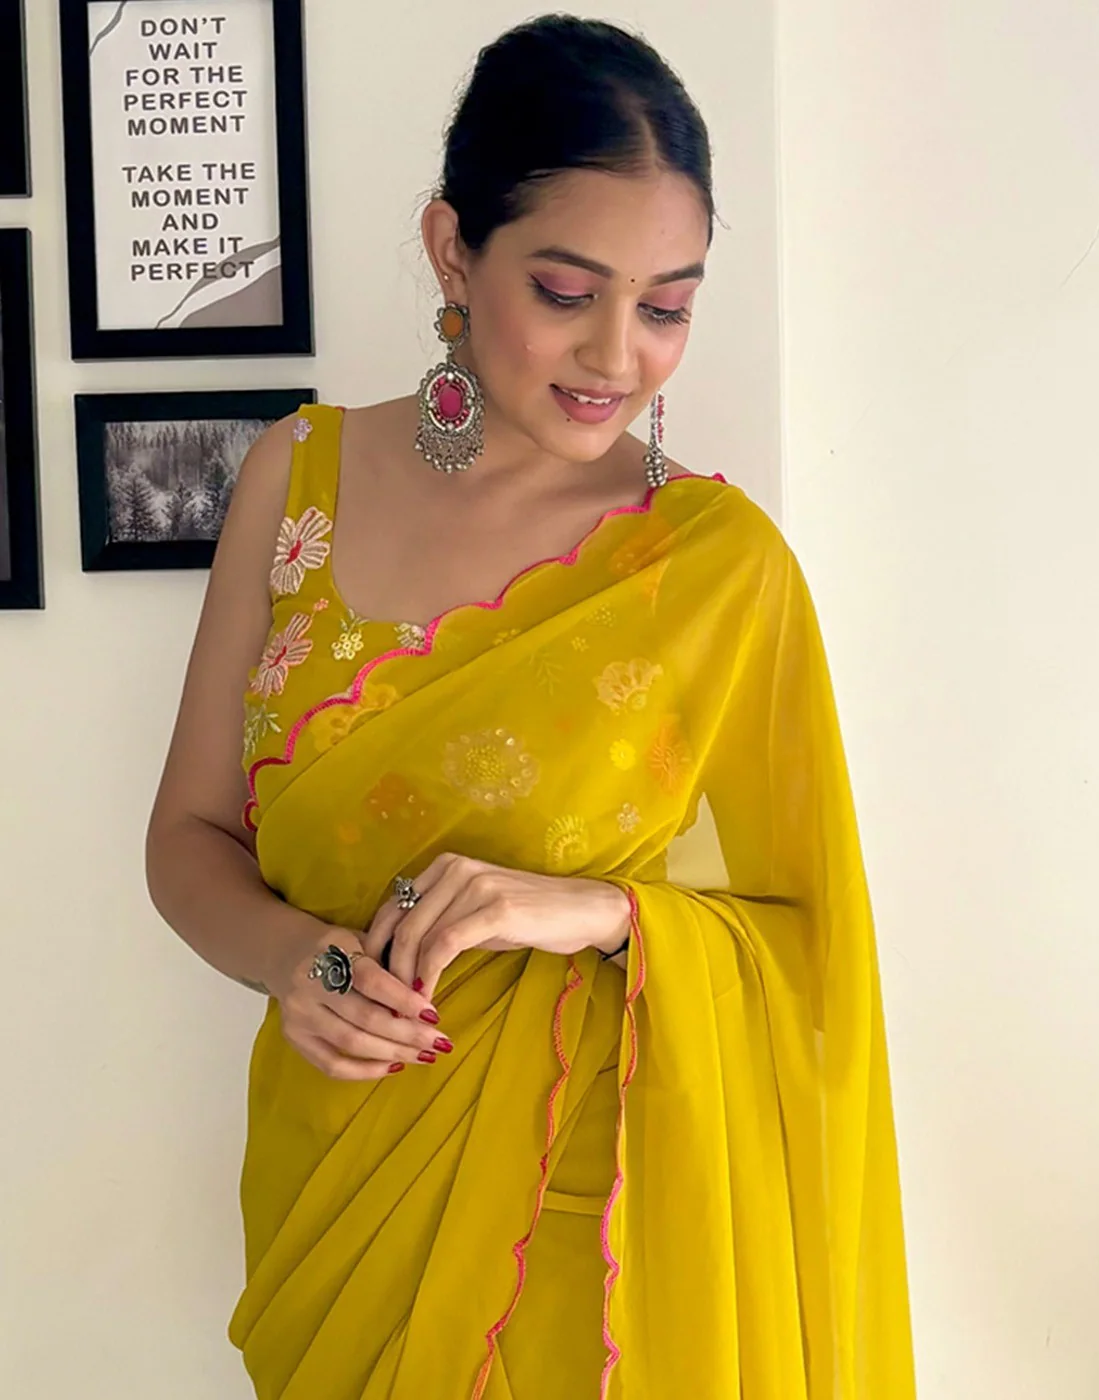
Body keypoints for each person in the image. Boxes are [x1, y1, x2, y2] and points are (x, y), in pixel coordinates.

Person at [146, 15, 916, 1399]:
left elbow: (815, 951)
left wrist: (595, 911)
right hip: (342, 1191)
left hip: (597, 1225)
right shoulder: (295, 477)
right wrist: (297, 961)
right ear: (453, 250)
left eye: (667, 307)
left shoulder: (714, 570)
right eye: (567, 291)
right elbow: (189, 837)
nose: (617, 355)